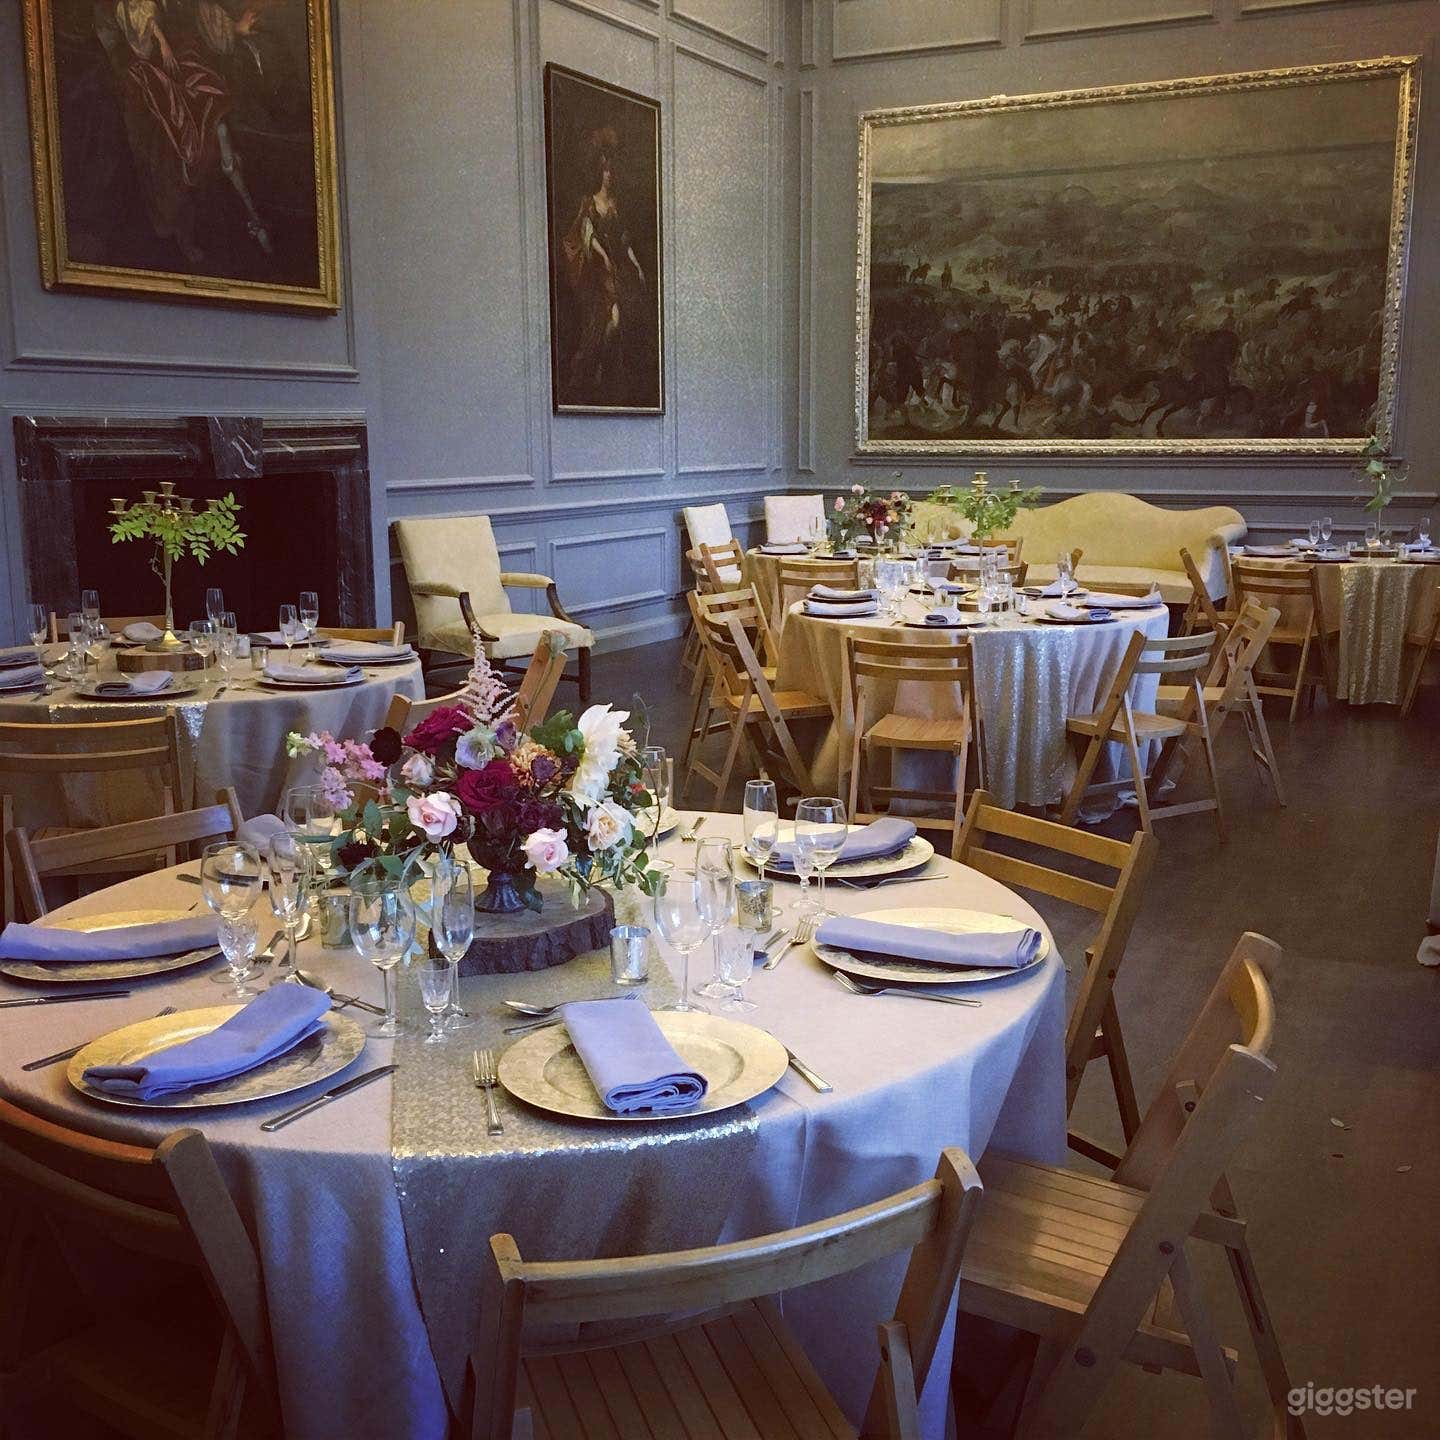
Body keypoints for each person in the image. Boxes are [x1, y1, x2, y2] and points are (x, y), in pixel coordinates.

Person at [560, 126, 649, 404]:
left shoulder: (615, 204)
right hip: (600, 273)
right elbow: (587, 235)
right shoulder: (590, 202)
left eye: (613, 172)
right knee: (609, 320)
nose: (610, 176)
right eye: (607, 171)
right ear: (600, 172)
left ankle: (607, 369)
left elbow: (624, 239)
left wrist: (636, 264)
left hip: (618, 269)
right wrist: (604, 257)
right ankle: (591, 367)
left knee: (622, 323)